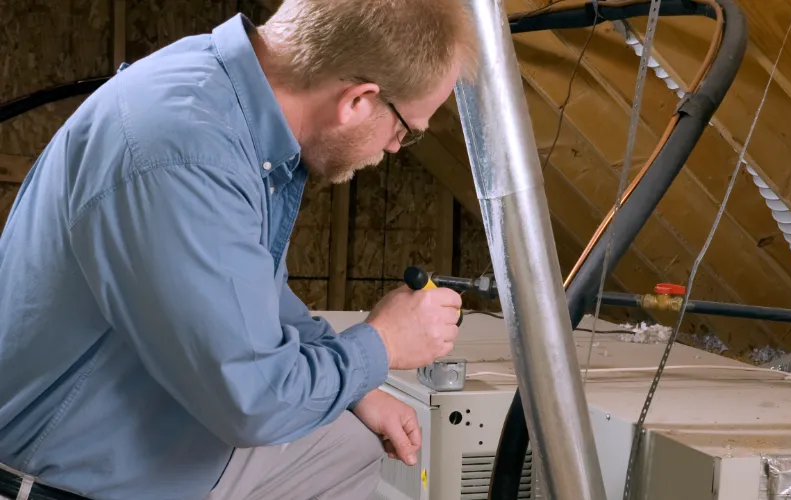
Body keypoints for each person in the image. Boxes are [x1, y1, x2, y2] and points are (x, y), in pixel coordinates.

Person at [0, 1, 478, 499]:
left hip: (129, 426)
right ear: (357, 100)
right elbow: (255, 402)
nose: (396, 147)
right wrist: (382, 343)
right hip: (64, 476)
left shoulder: (221, 95)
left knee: (346, 448)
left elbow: (249, 289)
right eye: (405, 129)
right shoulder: (186, 154)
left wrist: (353, 385)